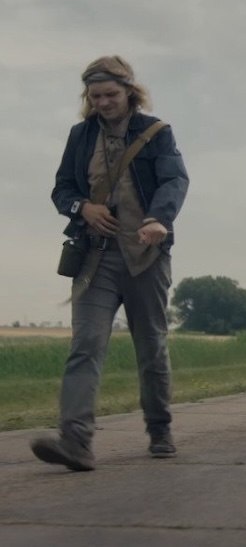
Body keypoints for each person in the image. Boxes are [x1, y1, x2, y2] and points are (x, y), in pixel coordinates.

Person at [33, 56, 189, 471]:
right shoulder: (80, 135)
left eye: (110, 94)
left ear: (129, 92)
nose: (103, 102)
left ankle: (160, 430)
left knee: (151, 347)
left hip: (146, 256)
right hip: (95, 258)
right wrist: (82, 207)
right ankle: (75, 442)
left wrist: (158, 218)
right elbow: (62, 188)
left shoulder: (157, 132)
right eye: (95, 96)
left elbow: (175, 179)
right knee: (85, 346)